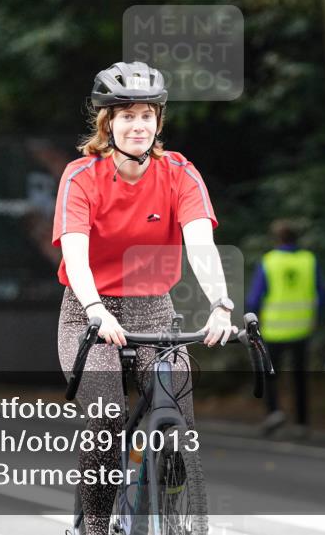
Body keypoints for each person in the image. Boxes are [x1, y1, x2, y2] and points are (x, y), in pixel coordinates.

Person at [53, 61, 238, 535]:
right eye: (127, 115)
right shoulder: (81, 176)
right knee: (107, 418)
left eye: (147, 116)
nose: (138, 125)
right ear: (107, 123)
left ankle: (175, 518)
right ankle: (93, 526)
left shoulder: (179, 173)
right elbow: (75, 257)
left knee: (175, 403)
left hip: (154, 308)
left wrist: (220, 304)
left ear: (159, 122)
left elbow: (200, 244)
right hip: (88, 311)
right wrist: (96, 311)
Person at [246, 219, 325, 433]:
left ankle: (274, 412)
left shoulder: (269, 261)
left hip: (274, 328)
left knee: (270, 374)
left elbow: (254, 297)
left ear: (276, 239)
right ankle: (302, 422)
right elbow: (321, 292)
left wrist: (251, 319)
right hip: (302, 327)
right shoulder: (309, 260)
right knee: (300, 376)